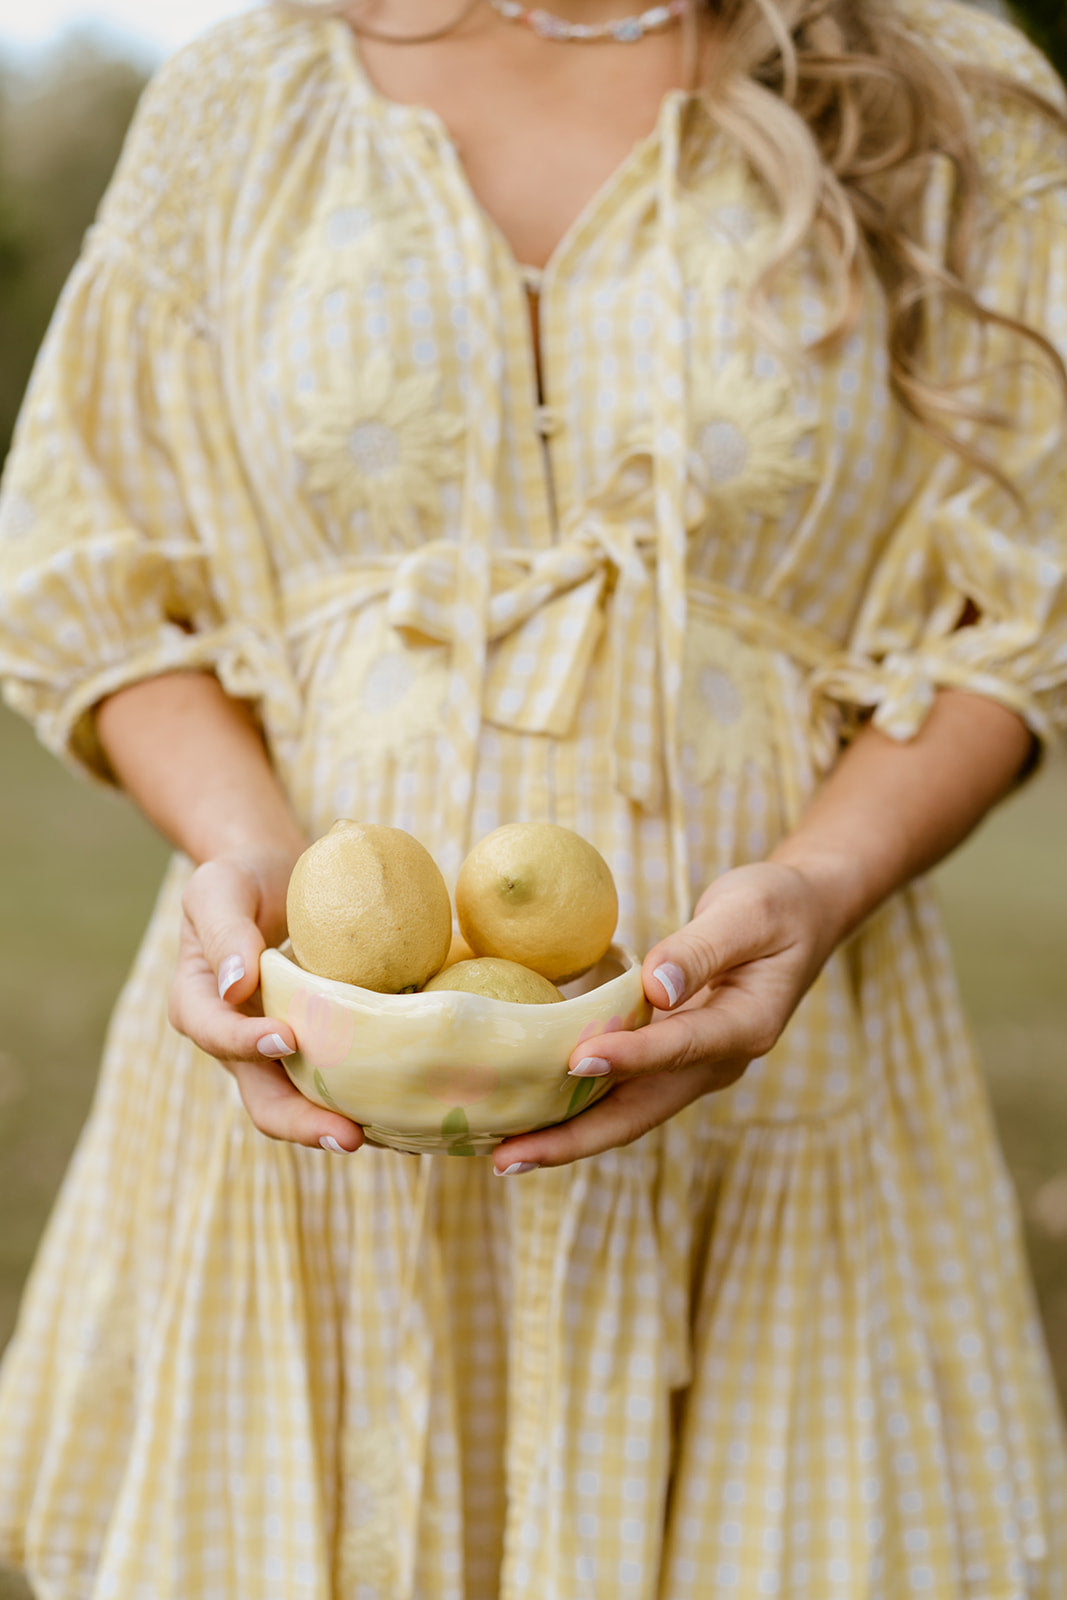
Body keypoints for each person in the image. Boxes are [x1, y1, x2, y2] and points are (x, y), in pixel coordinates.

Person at [1, 0, 1066, 1593]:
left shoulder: (953, 89)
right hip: (312, 1073)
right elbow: (88, 562)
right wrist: (250, 860)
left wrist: (821, 888)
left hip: (775, 1092)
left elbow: (1026, 600)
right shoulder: (243, 102)